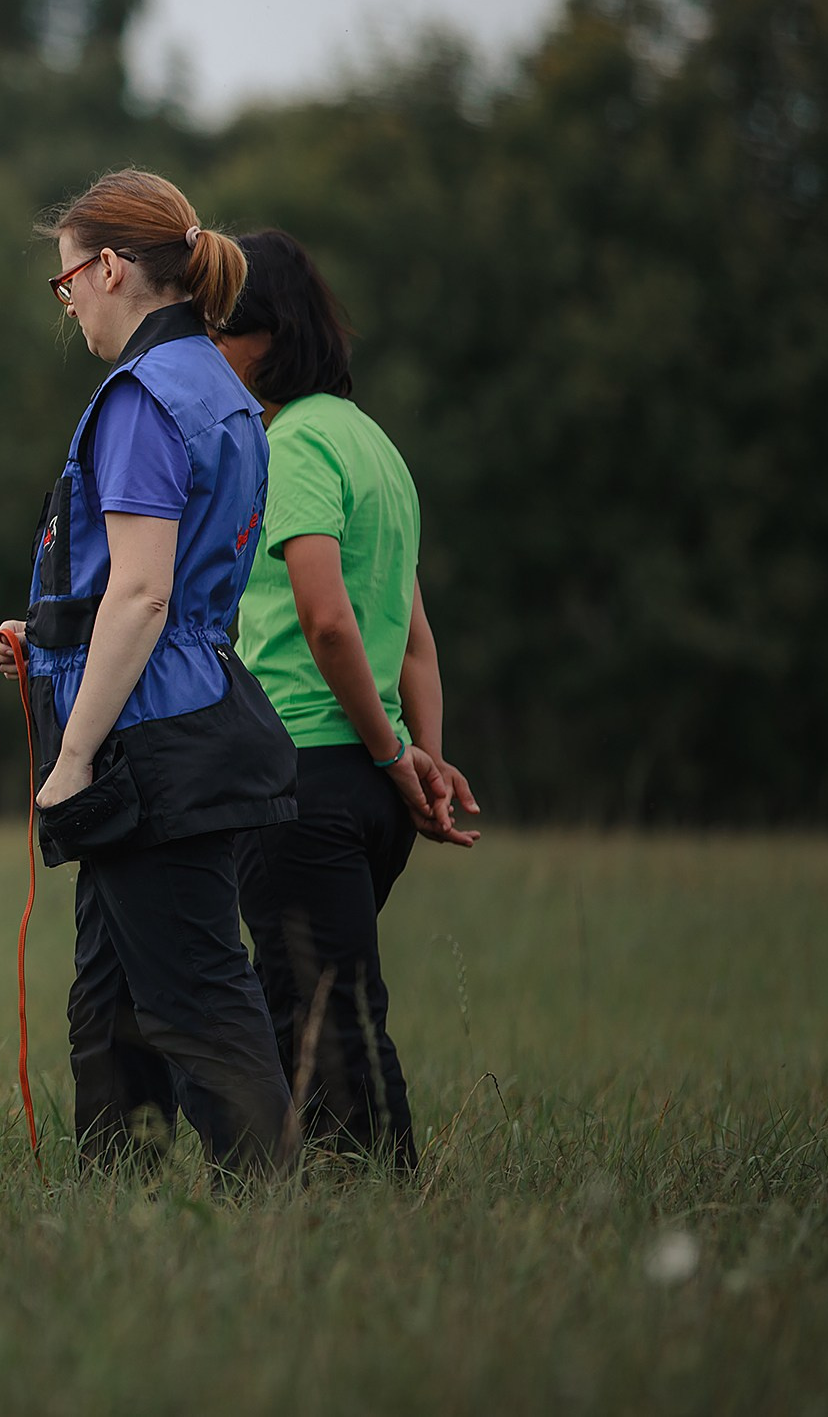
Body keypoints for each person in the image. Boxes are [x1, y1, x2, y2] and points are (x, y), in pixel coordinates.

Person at [0, 169, 297, 1176]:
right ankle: (121, 1212)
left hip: (146, 744)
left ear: (110, 266)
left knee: (196, 999)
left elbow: (144, 595)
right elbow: (147, 587)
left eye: (66, 278)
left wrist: (71, 759)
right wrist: (47, 636)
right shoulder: (219, 386)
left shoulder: (140, 397)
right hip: (189, 710)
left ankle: (270, 1217)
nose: (67, 298)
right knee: (110, 1002)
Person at [212, 229, 482, 1172]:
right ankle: (315, 1196)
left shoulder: (289, 445)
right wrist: (420, 759)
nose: (213, 355)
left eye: (222, 333)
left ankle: (373, 1198)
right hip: (368, 788)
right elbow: (414, 640)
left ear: (269, 335)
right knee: (326, 1000)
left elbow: (328, 623)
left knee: (318, 1012)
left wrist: (382, 753)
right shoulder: (377, 447)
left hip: (306, 774)